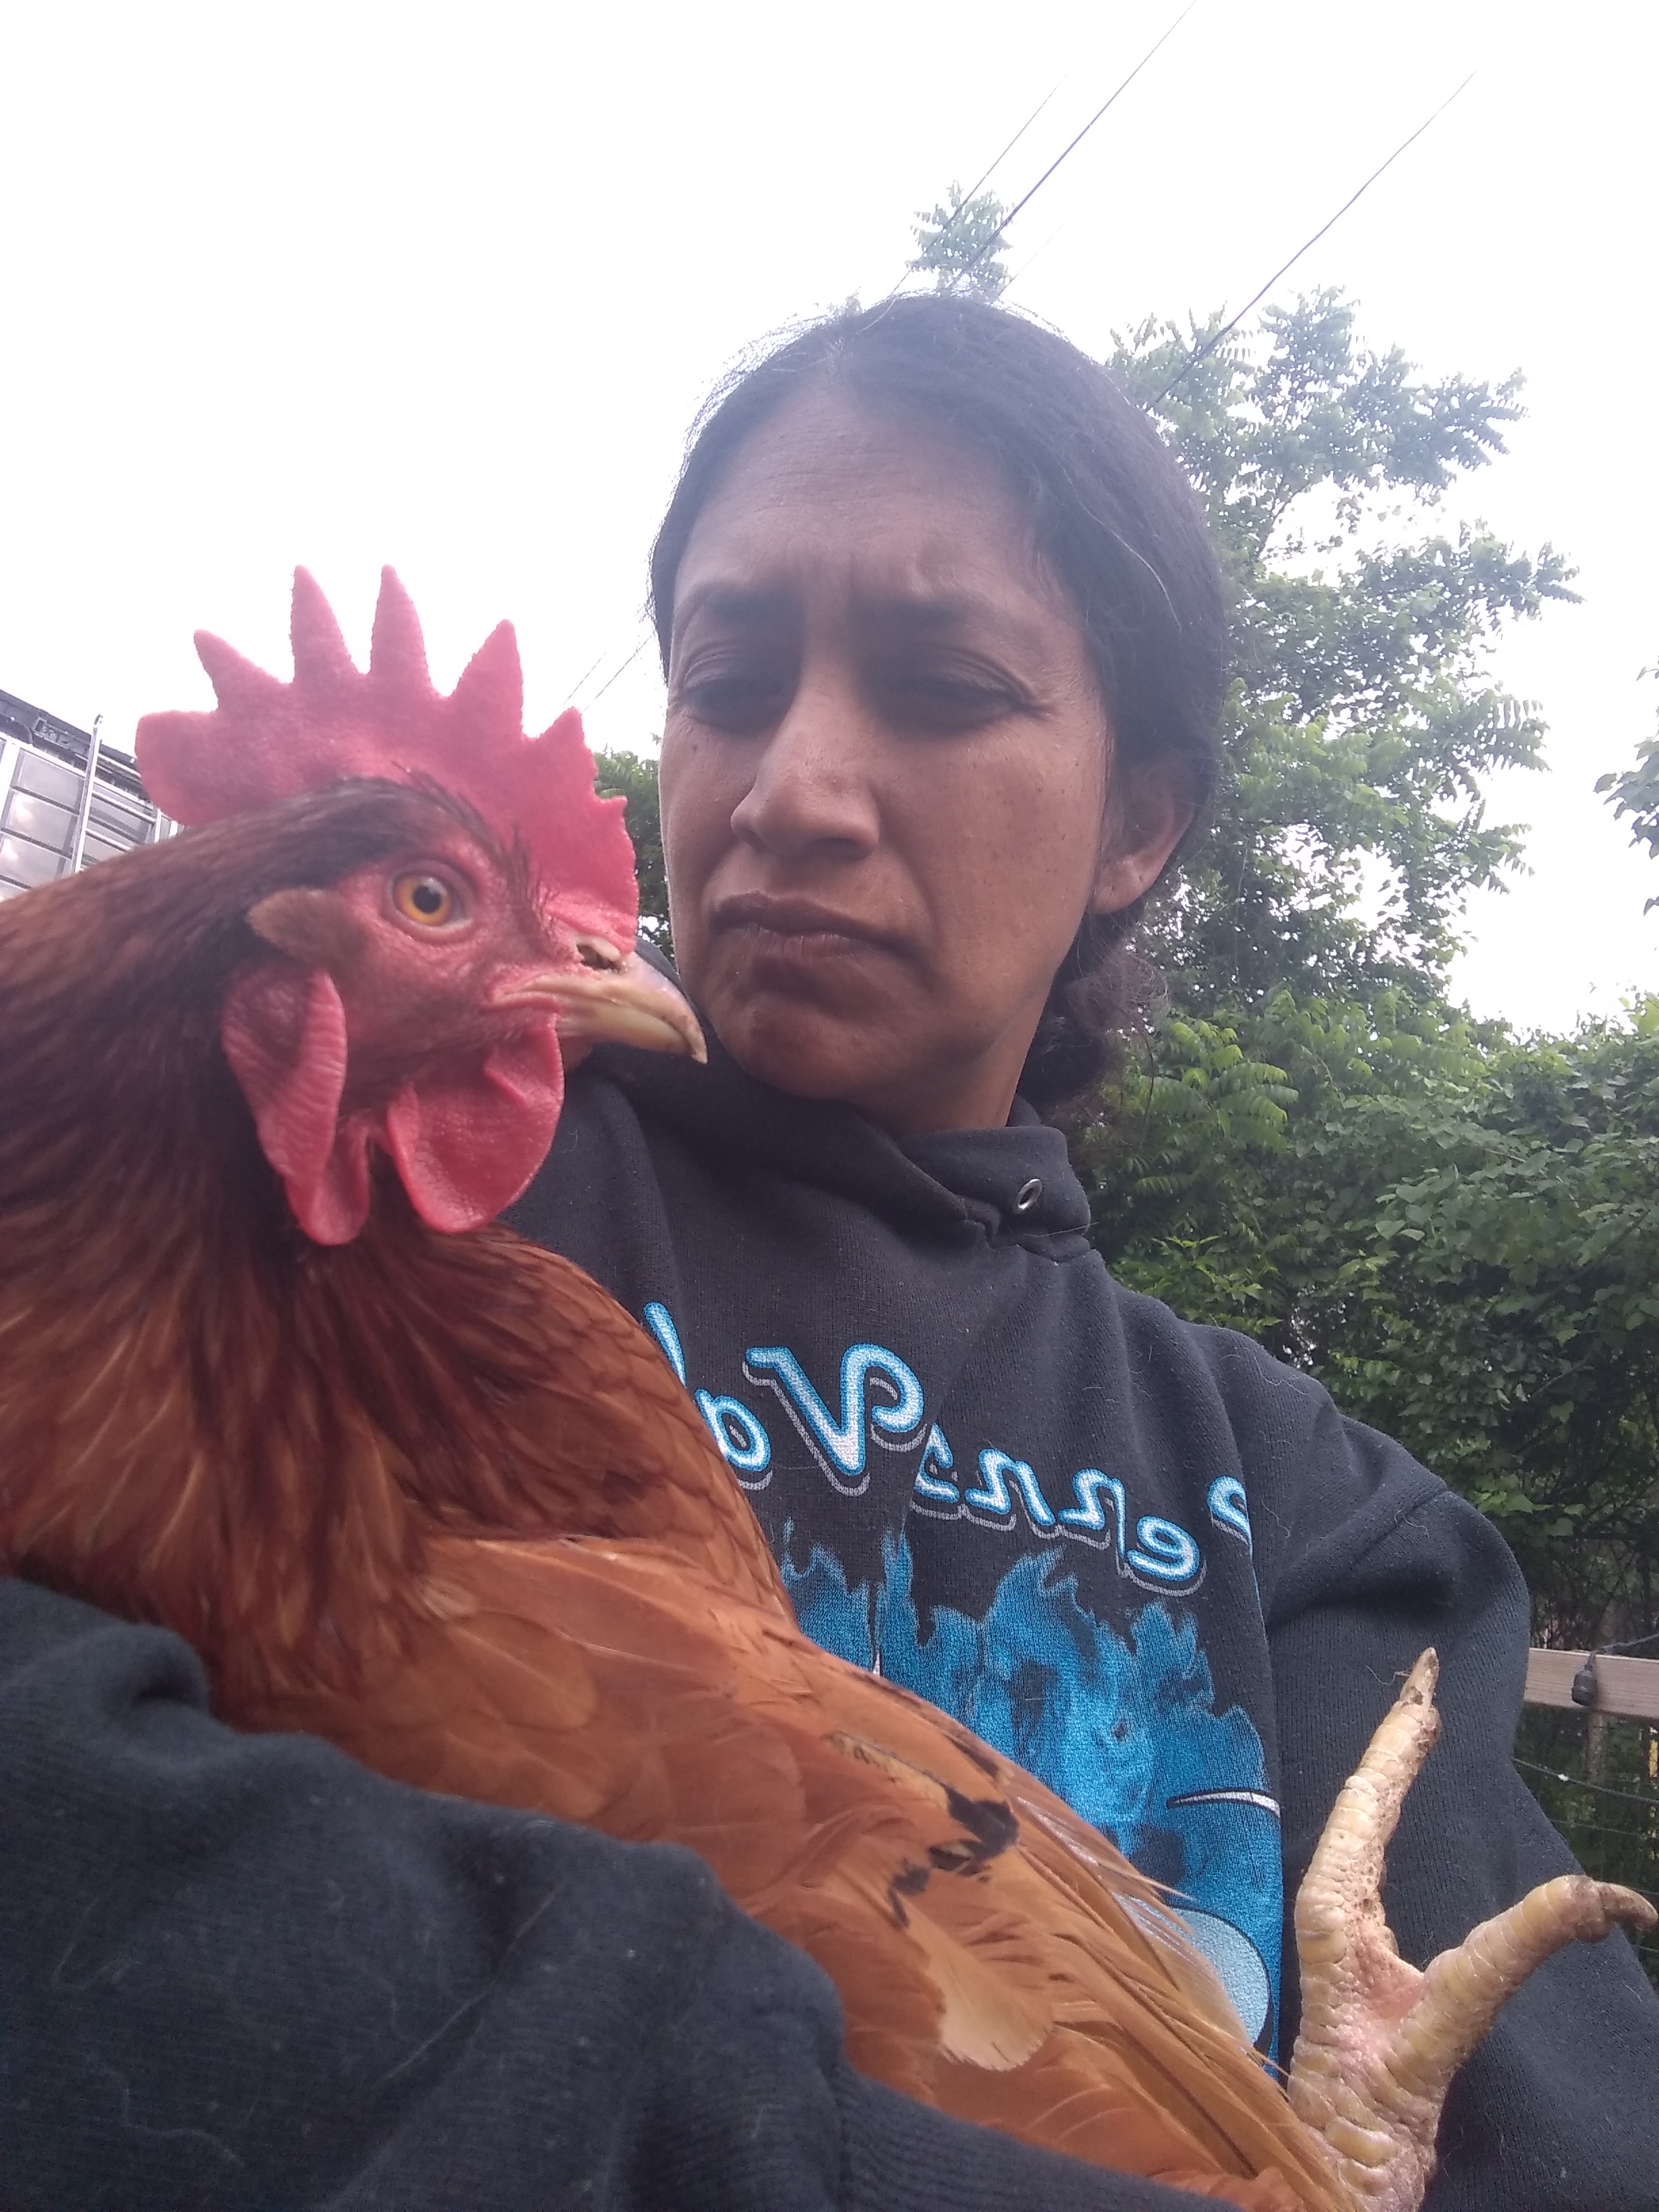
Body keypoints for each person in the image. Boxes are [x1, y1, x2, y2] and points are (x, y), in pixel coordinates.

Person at [3, 295, 1656, 2212]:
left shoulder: (1305, 1506)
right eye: (727, 683)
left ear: (1135, 822)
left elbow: (1581, 2151)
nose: (789, 790)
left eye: (942, 689)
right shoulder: (294, 1260)